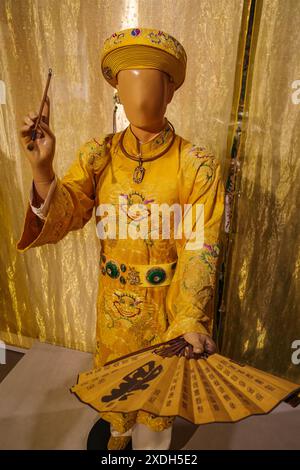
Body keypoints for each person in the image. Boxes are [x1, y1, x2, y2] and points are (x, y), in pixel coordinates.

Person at [18, 27, 225, 450]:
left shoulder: (196, 165)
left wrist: (189, 317)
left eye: (150, 82)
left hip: (166, 306)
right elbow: (68, 212)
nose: (139, 96)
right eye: (128, 83)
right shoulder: (99, 154)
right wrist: (43, 170)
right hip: (113, 303)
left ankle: (153, 449)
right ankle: (116, 434)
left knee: (159, 397)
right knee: (114, 382)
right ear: (116, 89)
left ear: (170, 91)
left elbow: (201, 245)